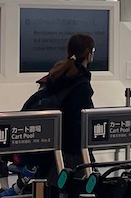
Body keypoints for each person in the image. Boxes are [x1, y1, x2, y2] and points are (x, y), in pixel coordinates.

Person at [23, 32, 96, 176]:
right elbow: (76, 124)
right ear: (89, 55)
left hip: (51, 151)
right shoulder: (81, 85)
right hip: (72, 154)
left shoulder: (57, 75)